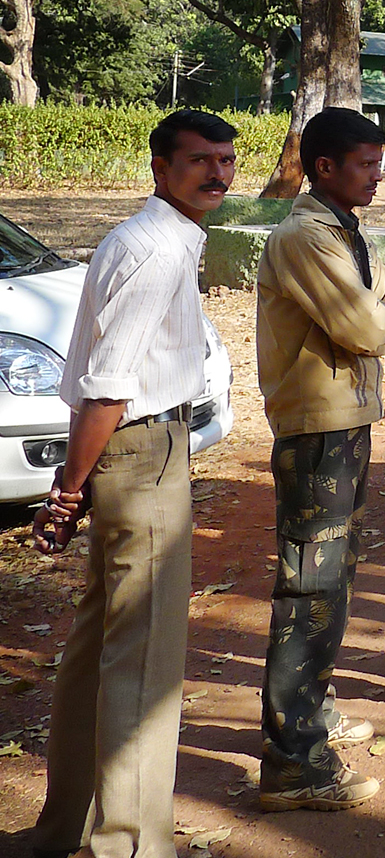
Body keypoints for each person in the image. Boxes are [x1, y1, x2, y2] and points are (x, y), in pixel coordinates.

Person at [30, 110, 238, 851]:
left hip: (132, 450)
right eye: (199, 161)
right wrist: (67, 489)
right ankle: (129, 845)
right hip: (140, 452)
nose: (217, 172)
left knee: (100, 650)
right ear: (160, 168)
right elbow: (109, 386)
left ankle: (66, 830)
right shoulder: (154, 251)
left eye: (225, 159)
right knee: (144, 661)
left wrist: (78, 480)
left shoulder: (154, 239)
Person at [255, 107, 385, 810]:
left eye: (380, 163)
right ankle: (294, 762)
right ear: (324, 167)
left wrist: (380, 309)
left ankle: (312, 712)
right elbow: (369, 327)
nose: (379, 176)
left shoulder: (344, 229)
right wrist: (380, 309)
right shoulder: (306, 236)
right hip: (317, 425)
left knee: (333, 577)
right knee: (310, 588)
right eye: (366, 164)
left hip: (345, 419)